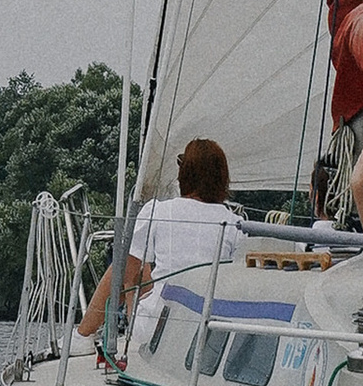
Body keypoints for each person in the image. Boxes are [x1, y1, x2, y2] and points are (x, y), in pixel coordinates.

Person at [79, 139, 246, 342]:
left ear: (184, 174)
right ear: (222, 179)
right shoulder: (234, 223)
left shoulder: (157, 211)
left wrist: (132, 294)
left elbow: (126, 272)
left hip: (156, 329)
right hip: (209, 332)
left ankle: (83, 335)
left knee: (128, 268)